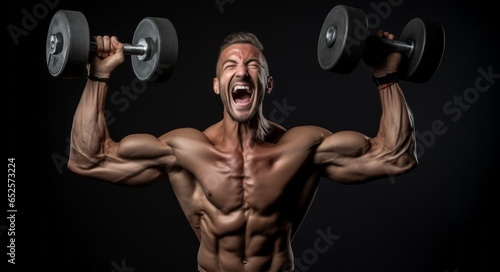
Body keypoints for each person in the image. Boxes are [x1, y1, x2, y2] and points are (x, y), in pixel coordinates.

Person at [68, 30, 418, 272]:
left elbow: (395, 156)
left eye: (253, 65)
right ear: (218, 85)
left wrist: (386, 76)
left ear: (266, 84)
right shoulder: (186, 149)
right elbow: (88, 158)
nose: (242, 71)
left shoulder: (302, 147)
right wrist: (98, 75)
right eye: (230, 65)